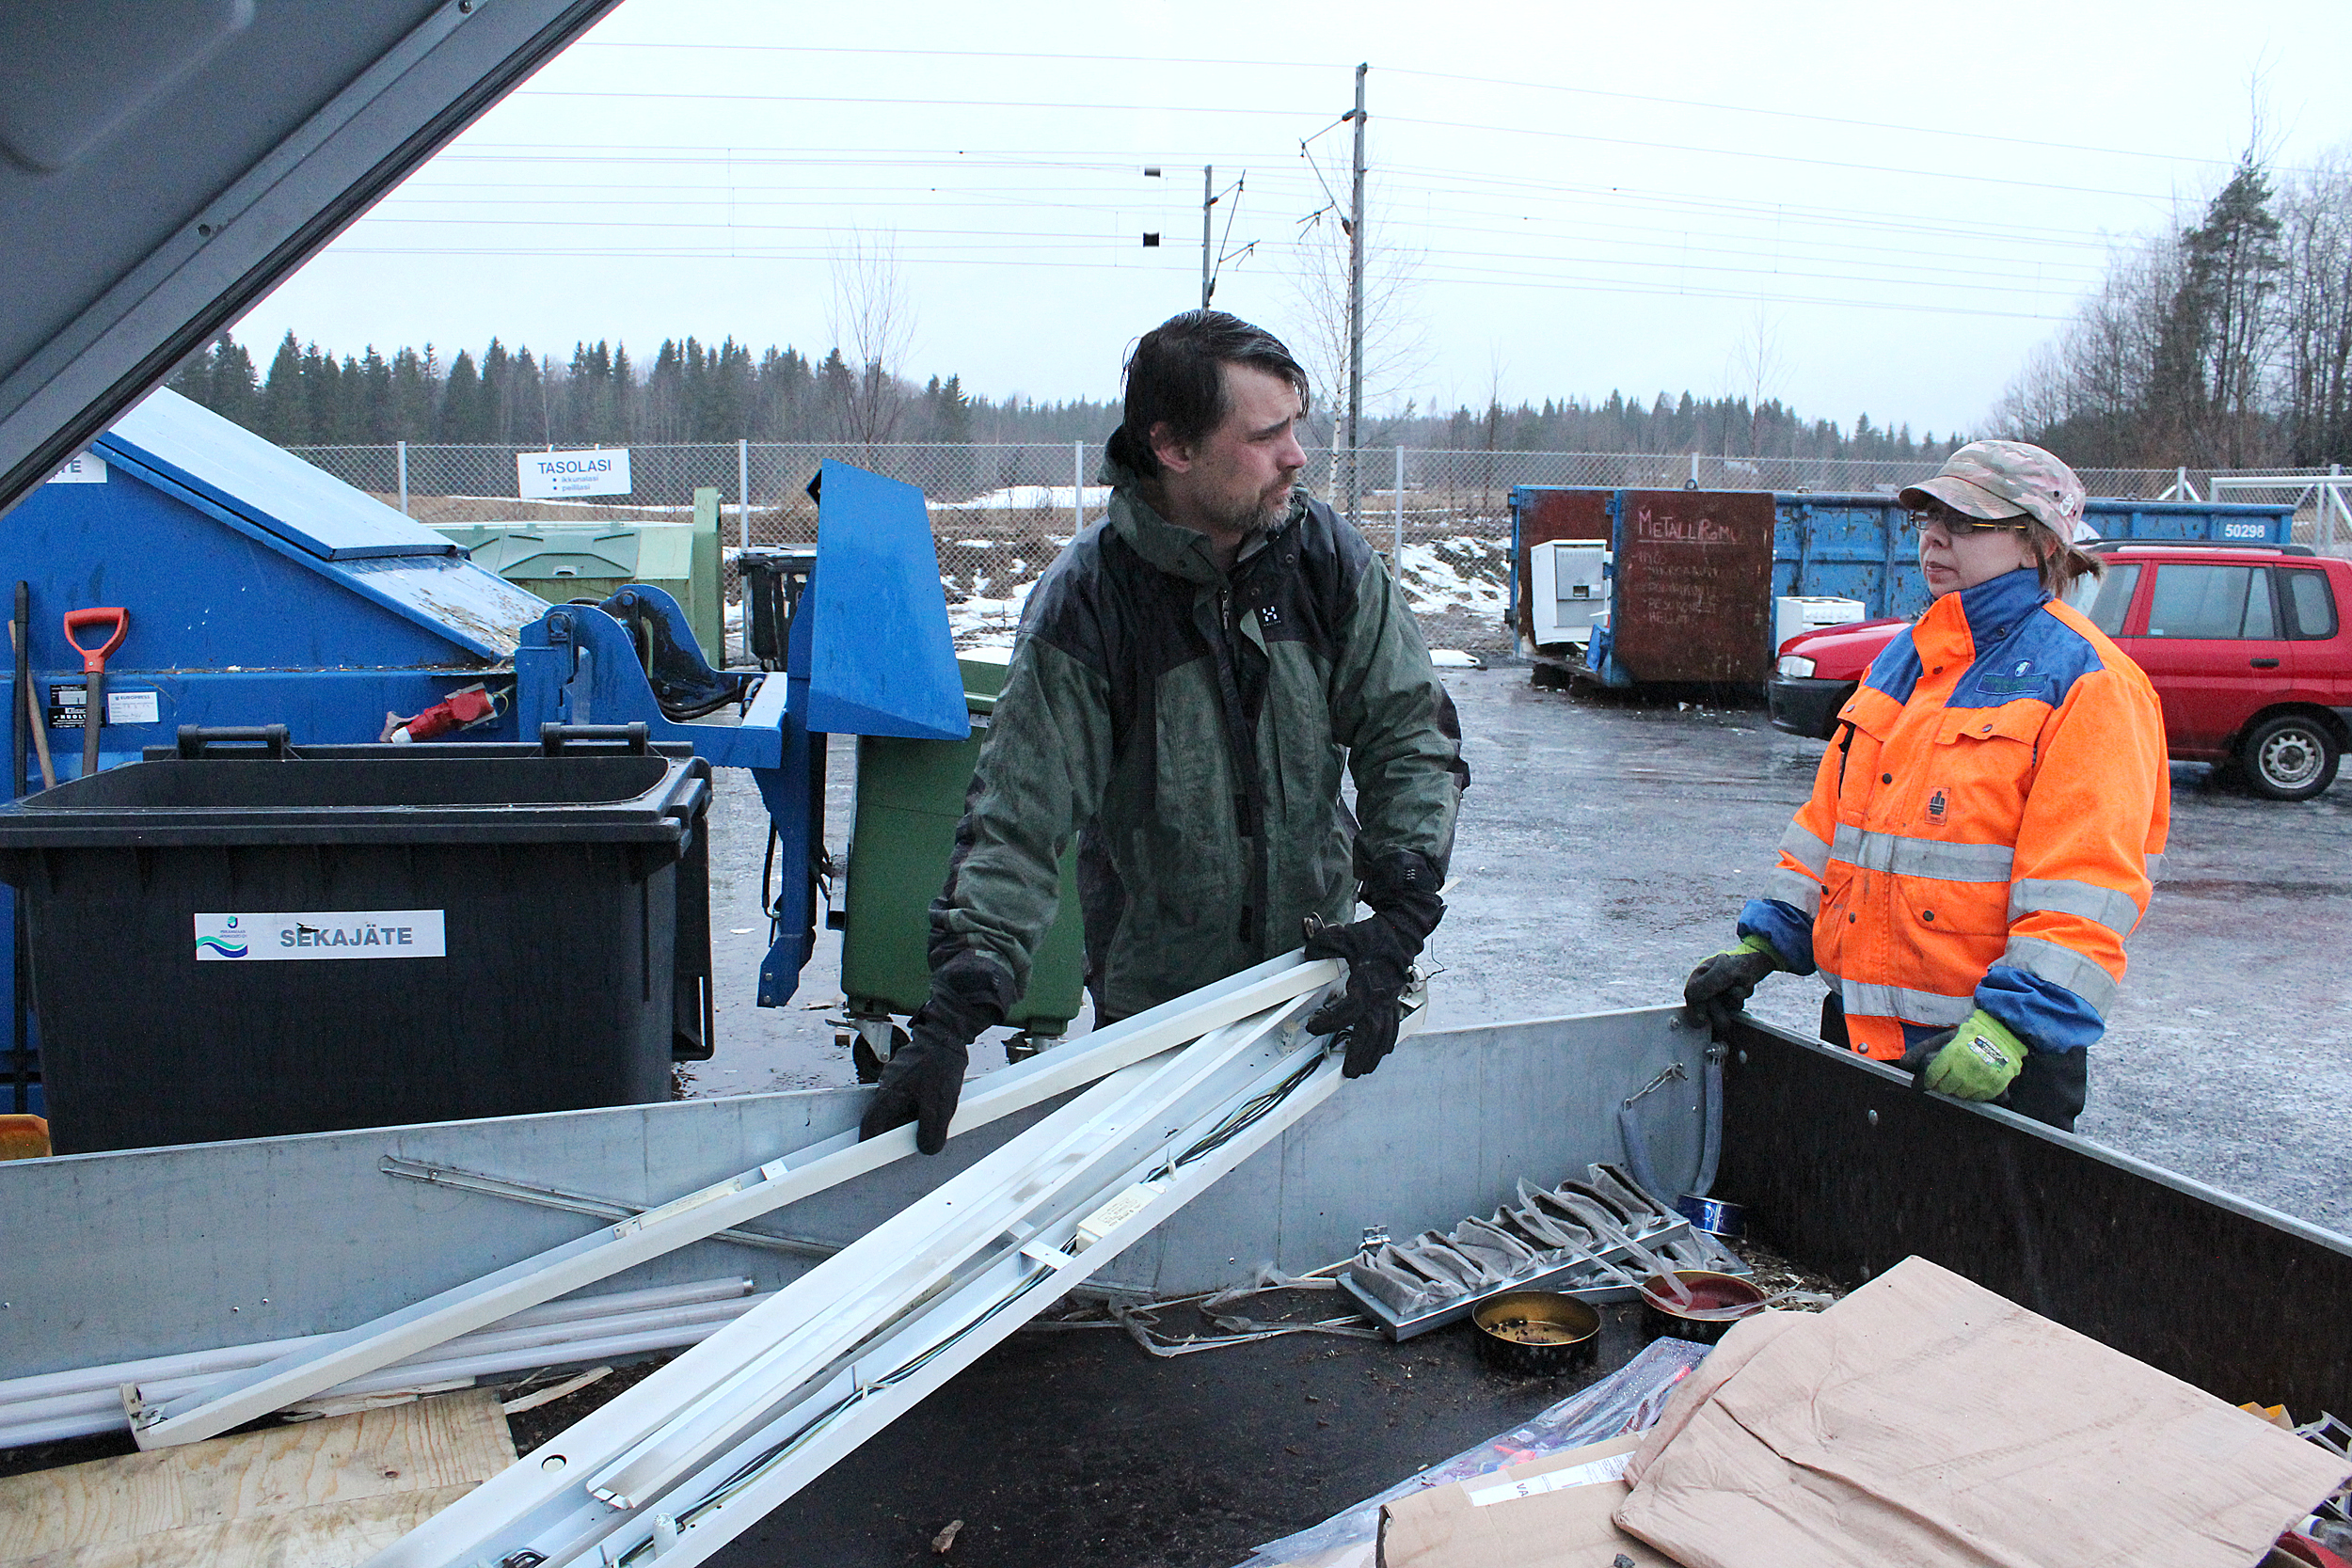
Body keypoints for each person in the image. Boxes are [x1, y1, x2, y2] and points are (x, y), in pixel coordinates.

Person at [862, 310, 1468, 1154]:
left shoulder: (1328, 562)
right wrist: (953, 1017)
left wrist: (1398, 919)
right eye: (1265, 436)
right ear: (1174, 449)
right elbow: (1019, 820)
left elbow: (1409, 734)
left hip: (1320, 988)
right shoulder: (1090, 603)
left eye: (1296, 426)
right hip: (1156, 1024)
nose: (1297, 454)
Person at [1683, 440, 2169, 1131]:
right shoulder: (1903, 661)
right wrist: (1767, 942)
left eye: (1967, 522)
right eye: (1929, 517)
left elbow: (2084, 890)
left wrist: (2011, 1028)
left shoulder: (2090, 683)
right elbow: (1831, 828)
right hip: (1858, 1038)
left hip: (1989, 1061)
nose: (1935, 536)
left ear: (2037, 541)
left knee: (1968, 1244)